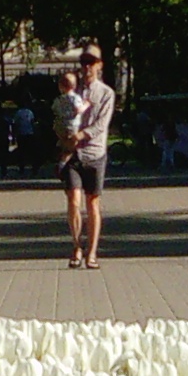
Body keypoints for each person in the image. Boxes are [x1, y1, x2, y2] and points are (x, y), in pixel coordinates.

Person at [60, 47, 115, 268]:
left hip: (94, 153)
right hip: (72, 154)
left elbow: (102, 124)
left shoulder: (106, 93)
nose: (87, 67)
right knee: (73, 200)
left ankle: (92, 253)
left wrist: (81, 135)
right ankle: (76, 246)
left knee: (92, 202)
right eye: (84, 62)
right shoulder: (73, 90)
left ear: (100, 65)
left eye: (91, 62)